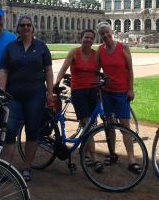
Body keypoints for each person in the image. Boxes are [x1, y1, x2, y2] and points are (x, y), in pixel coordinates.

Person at [0, 15, 53, 182]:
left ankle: (27, 167)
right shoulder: (10, 47)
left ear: (32, 28)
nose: (26, 28)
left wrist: (49, 92)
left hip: (35, 94)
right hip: (14, 95)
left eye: (28, 25)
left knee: (32, 131)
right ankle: (6, 167)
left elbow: (48, 71)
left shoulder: (41, 46)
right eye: (22, 25)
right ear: (18, 29)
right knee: (10, 131)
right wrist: (2, 92)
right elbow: (4, 71)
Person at [54, 28, 103, 172]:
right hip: (79, 92)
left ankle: (85, 152)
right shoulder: (74, 52)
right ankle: (94, 158)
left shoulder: (96, 55)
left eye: (91, 38)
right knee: (87, 123)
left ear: (94, 40)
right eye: (86, 37)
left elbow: (98, 74)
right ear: (81, 38)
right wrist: (56, 84)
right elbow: (63, 69)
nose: (88, 39)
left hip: (92, 91)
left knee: (89, 124)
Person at [96, 21, 140, 174]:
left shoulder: (123, 47)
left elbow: (130, 70)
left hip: (121, 92)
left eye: (107, 32)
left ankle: (132, 159)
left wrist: (130, 89)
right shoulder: (100, 50)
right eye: (102, 34)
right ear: (100, 36)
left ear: (111, 32)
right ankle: (112, 153)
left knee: (125, 126)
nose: (105, 36)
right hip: (106, 92)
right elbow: (96, 71)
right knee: (109, 125)